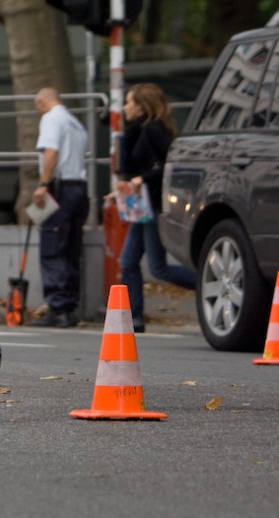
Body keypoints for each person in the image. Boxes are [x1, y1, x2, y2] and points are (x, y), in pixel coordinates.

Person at [114, 82, 196, 333]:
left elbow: (170, 164)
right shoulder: (137, 130)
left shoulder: (153, 129)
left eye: (129, 101)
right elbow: (134, 168)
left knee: (158, 267)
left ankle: (204, 282)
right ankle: (134, 319)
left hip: (154, 207)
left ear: (141, 106)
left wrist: (142, 179)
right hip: (141, 207)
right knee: (128, 262)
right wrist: (126, 185)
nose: (125, 106)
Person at [30, 87, 90, 328]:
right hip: (79, 188)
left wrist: (43, 184)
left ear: (42, 102)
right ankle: (70, 306)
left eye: (38, 107)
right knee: (71, 248)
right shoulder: (75, 123)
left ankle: (58, 307)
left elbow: (51, 151)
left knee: (53, 245)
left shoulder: (51, 118)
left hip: (61, 188)